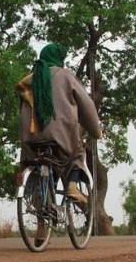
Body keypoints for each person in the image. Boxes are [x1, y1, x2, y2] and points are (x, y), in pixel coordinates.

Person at [15, 43, 102, 205]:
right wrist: (96, 131)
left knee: (43, 159)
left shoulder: (28, 81)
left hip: (30, 140)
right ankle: (72, 186)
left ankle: (43, 196)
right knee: (77, 154)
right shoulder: (66, 76)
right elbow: (87, 106)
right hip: (60, 137)